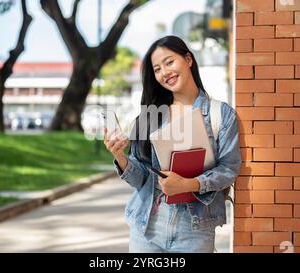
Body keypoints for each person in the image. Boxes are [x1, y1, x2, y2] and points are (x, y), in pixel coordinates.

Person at [103, 35, 241, 253]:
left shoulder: (220, 114)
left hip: (195, 229)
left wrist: (189, 185)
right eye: (157, 69)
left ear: (188, 59)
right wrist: (120, 156)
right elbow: (140, 178)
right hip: (147, 225)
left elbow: (229, 169)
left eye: (169, 62)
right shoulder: (149, 116)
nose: (164, 73)